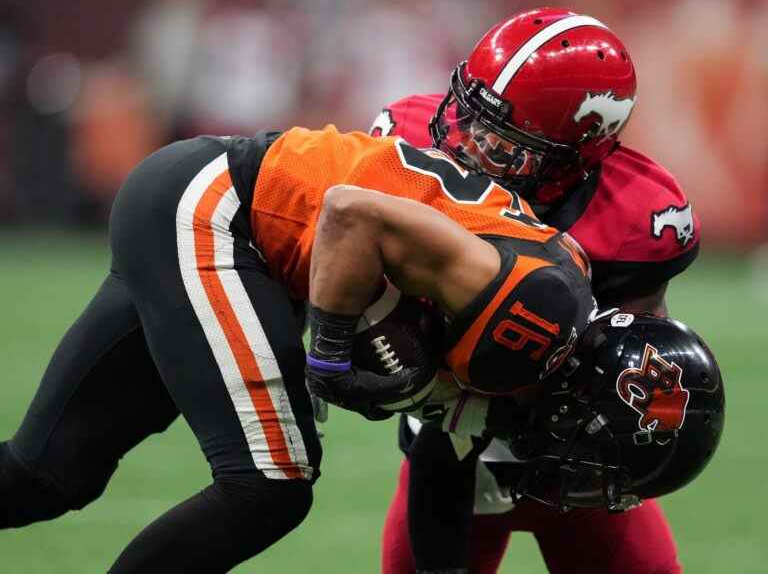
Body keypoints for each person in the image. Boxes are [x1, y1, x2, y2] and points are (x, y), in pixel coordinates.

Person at [0, 124, 594, 572]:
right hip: (222, 210)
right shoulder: (532, 311)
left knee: (47, 475)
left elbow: (442, 456)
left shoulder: (557, 298)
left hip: (213, 206)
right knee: (269, 484)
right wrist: (331, 354)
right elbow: (348, 211)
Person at [371, 8, 704, 574]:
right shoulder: (409, 143)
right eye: (471, 119)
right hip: (444, 454)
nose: (468, 150)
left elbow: (631, 368)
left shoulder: (635, 219)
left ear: (578, 155)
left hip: (581, 459)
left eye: (503, 145)